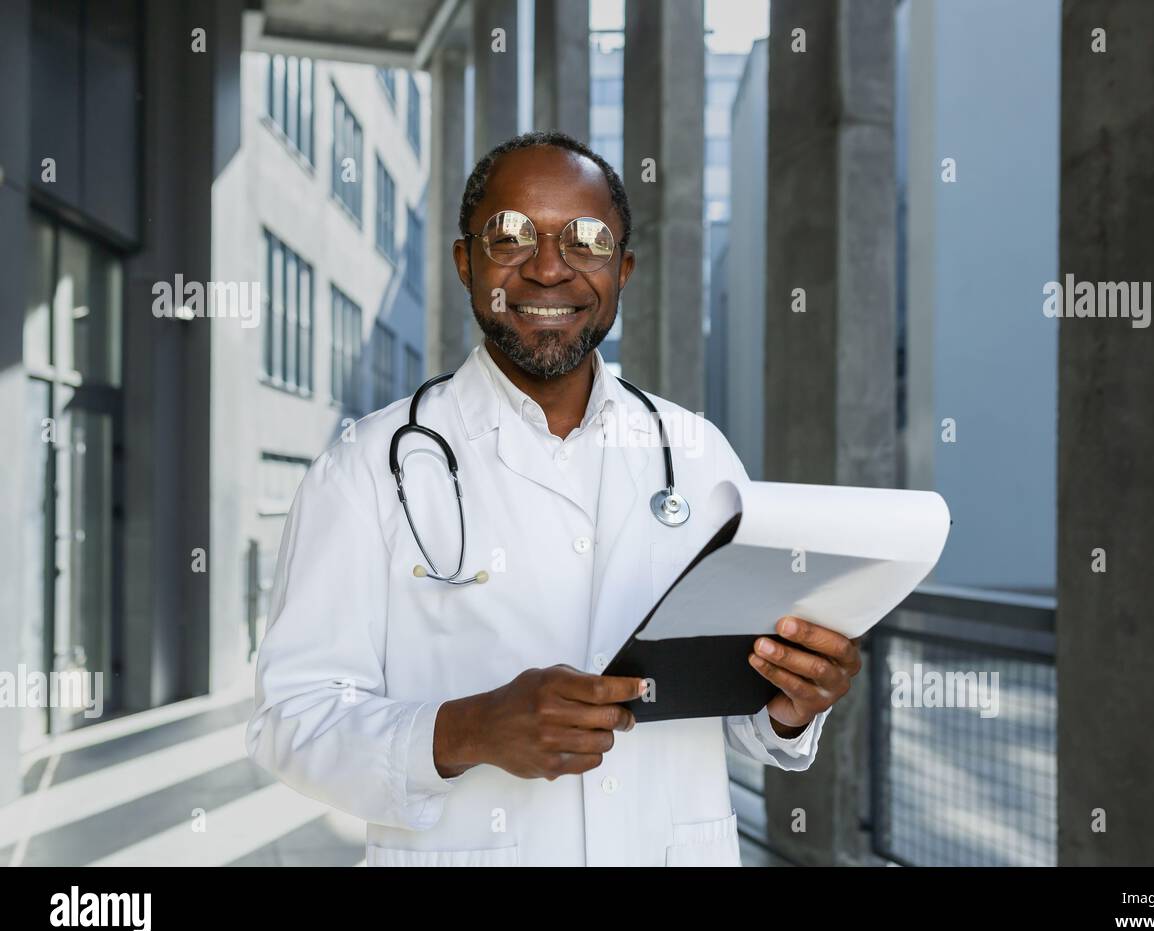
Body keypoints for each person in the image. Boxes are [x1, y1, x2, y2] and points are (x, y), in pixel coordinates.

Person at [245, 131, 862, 866]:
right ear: (464, 261)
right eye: (509, 236)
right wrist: (466, 730)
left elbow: (737, 717)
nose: (546, 268)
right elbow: (291, 720)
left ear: (623, 269)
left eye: (586, 239)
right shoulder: (366, 467)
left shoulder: (698, 456)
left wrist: (792, 705)